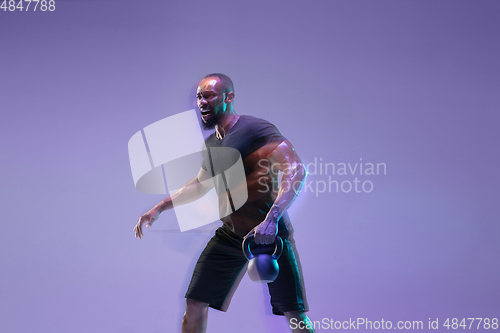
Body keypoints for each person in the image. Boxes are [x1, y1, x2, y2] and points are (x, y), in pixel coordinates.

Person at [134, 73, 315, 333]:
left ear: (228, 97)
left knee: (296, 318)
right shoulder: (212, 143)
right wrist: (158, 208)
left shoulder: (255, 130)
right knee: (195, 302)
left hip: (269, 237)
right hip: (230, 236)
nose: (201, 102)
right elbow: (200, 184)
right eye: (198, 97)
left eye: (208, 95)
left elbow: (295, 169)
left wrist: (272, 219)